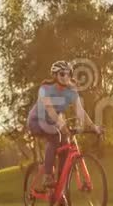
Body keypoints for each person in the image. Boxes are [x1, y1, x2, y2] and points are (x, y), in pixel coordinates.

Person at [26, 60, 101, 190]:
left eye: (68, 73)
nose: (66, 77)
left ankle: (60, 193)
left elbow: (80, 111)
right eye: (62, 74)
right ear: (55, 75)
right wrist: (62, 126)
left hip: (53, 123)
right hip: (36, 121)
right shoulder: (45, 89)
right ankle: (47, 176)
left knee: (65, 149)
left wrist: (94, 127)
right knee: (55, 138)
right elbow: (50, 111)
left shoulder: (71, 91)